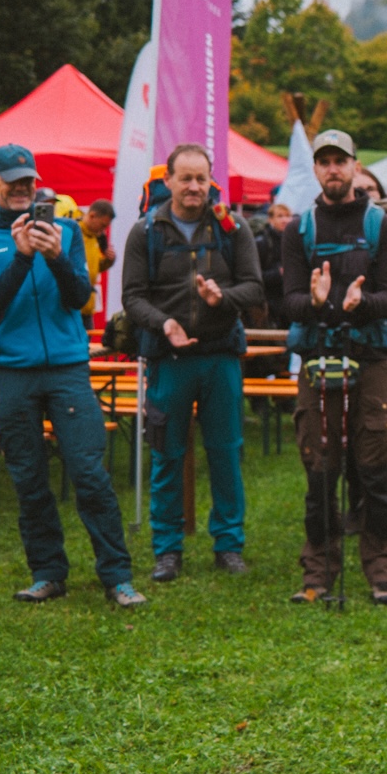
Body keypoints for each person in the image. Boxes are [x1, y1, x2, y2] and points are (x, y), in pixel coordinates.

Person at [0, 144, 142, 607]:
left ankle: (117, 577)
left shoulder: (68, 231)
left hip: (66, 369)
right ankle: (47, 573)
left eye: (28, 180)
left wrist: (57, 256)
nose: (22, 188)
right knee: (28, 478)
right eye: (12, 181)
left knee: (89, 473)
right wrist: (21, 258)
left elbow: (79, 297)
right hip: (12, 373)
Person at [121, 143, 263, 581]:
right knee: (167, 455)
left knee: (225, 453)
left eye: (202, 178)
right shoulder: (145, 232)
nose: (194, 187)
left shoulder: (232, 227)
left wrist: (223, 298)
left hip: (220, 356)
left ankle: (229, 545)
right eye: (185, 178)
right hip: (169, 359)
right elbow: (132, 297)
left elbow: (255, 288)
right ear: (168, 180)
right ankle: (167, 550)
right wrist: (163, 324)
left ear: (210, 180)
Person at [282, 129, 387, 605]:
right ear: (315, 169)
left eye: (340, 160)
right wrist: (316, 304)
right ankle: (318, 570)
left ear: (355, 166)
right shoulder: (298, 230)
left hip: (370, 359)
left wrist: (360, 304)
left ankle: (382, 568)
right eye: (324, 161)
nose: (333, 169)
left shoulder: (383, 227)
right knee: (319, 468)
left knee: (377, 465)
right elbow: (290, 302)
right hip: (317, 360)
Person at [258, 203, 296, 327]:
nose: (285, 220)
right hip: (270, 303)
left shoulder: (296, 240)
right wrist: (278, 273)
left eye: (287, 216)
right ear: (270, 220)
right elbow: (255, 276)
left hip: (290, 300)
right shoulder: (262, 242)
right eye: (280, 216)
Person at [79, 201, 116, 324]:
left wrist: (109, 260)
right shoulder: (75, 233)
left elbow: (96, 267)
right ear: (92, 216)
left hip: (87, 306)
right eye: (102, 225)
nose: (103, 230)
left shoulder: (96, 237)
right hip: (73, 307)